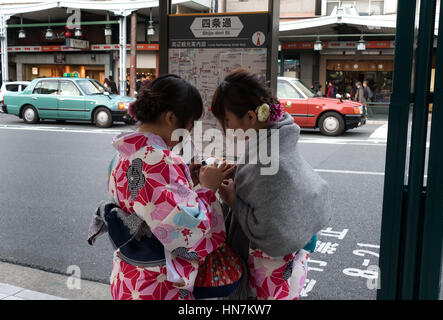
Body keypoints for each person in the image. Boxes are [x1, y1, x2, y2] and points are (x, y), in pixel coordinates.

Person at [97, 74, 235, 300]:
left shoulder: (122, 153)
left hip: (129, 276)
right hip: (158, 283)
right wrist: (207, 189)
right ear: (171, 117)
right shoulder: (161, 160)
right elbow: (186, 232)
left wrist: (186, 182)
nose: (187, 134)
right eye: (189, 125)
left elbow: (150, 203)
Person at [211, 68, 331, 300]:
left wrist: (232, 198)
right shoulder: (276, 139)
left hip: (268, 266)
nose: (225, 128)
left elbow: (267, 229)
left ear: (251, 117)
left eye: (226, 120)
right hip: (291, 261)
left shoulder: (266, 161)